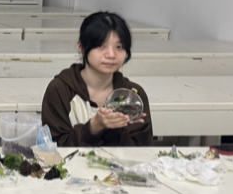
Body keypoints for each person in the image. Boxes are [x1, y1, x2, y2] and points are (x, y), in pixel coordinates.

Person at [41, 11, 153, 147]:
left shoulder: (133, 94)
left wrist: (116, 129)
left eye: (119, 47)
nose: (111, 55)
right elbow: (54, 148)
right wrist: (94, 127)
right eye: (101, 46)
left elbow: (143, 152)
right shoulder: (60, 90)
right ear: (81, 47)